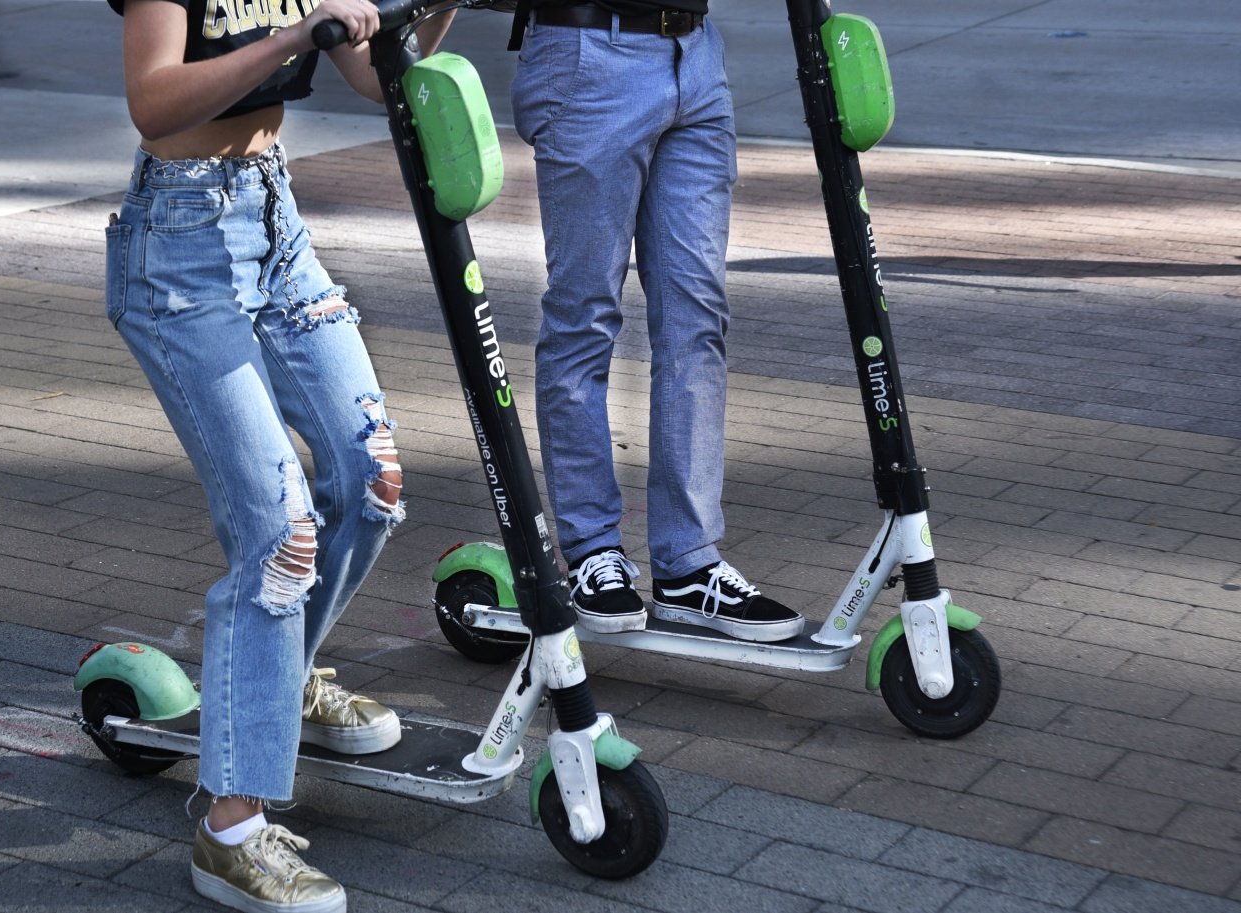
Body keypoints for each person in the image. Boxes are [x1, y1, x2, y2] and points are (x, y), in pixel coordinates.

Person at [104, 0, 452, 910]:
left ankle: (279, 682)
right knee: (283, 534)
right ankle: (230, 831)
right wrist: (296, 36)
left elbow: (383, 80)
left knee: (370, 480)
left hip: (275, 223)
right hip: (178, 250)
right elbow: (154, 102)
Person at [509, 0, 806, 643]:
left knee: (697, 318)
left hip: (694, 56)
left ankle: (688, 565)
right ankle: (591, 552)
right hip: (589, 54)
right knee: (584, 318)